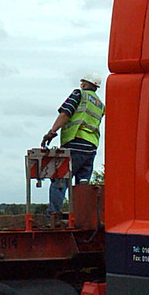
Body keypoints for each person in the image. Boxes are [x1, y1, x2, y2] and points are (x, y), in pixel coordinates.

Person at [41, 73, 104, 221]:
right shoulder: (100, 104)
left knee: (60, 180)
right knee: (83, 187)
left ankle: (53, 218)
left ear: (83, 84)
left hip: (75, 143)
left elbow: (65, 114)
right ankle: (82, 218)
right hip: (91, 148)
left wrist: (51, 132)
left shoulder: (78, 94)